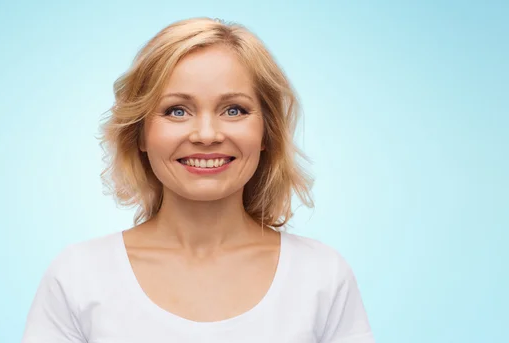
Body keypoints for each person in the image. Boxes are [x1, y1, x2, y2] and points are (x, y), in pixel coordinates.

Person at [21, 17, 375, 343]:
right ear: (140, 134)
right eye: (177, 111)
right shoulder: (78, 277)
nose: (207, 135)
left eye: (233, 110)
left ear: (266, 133)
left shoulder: (322, 276)